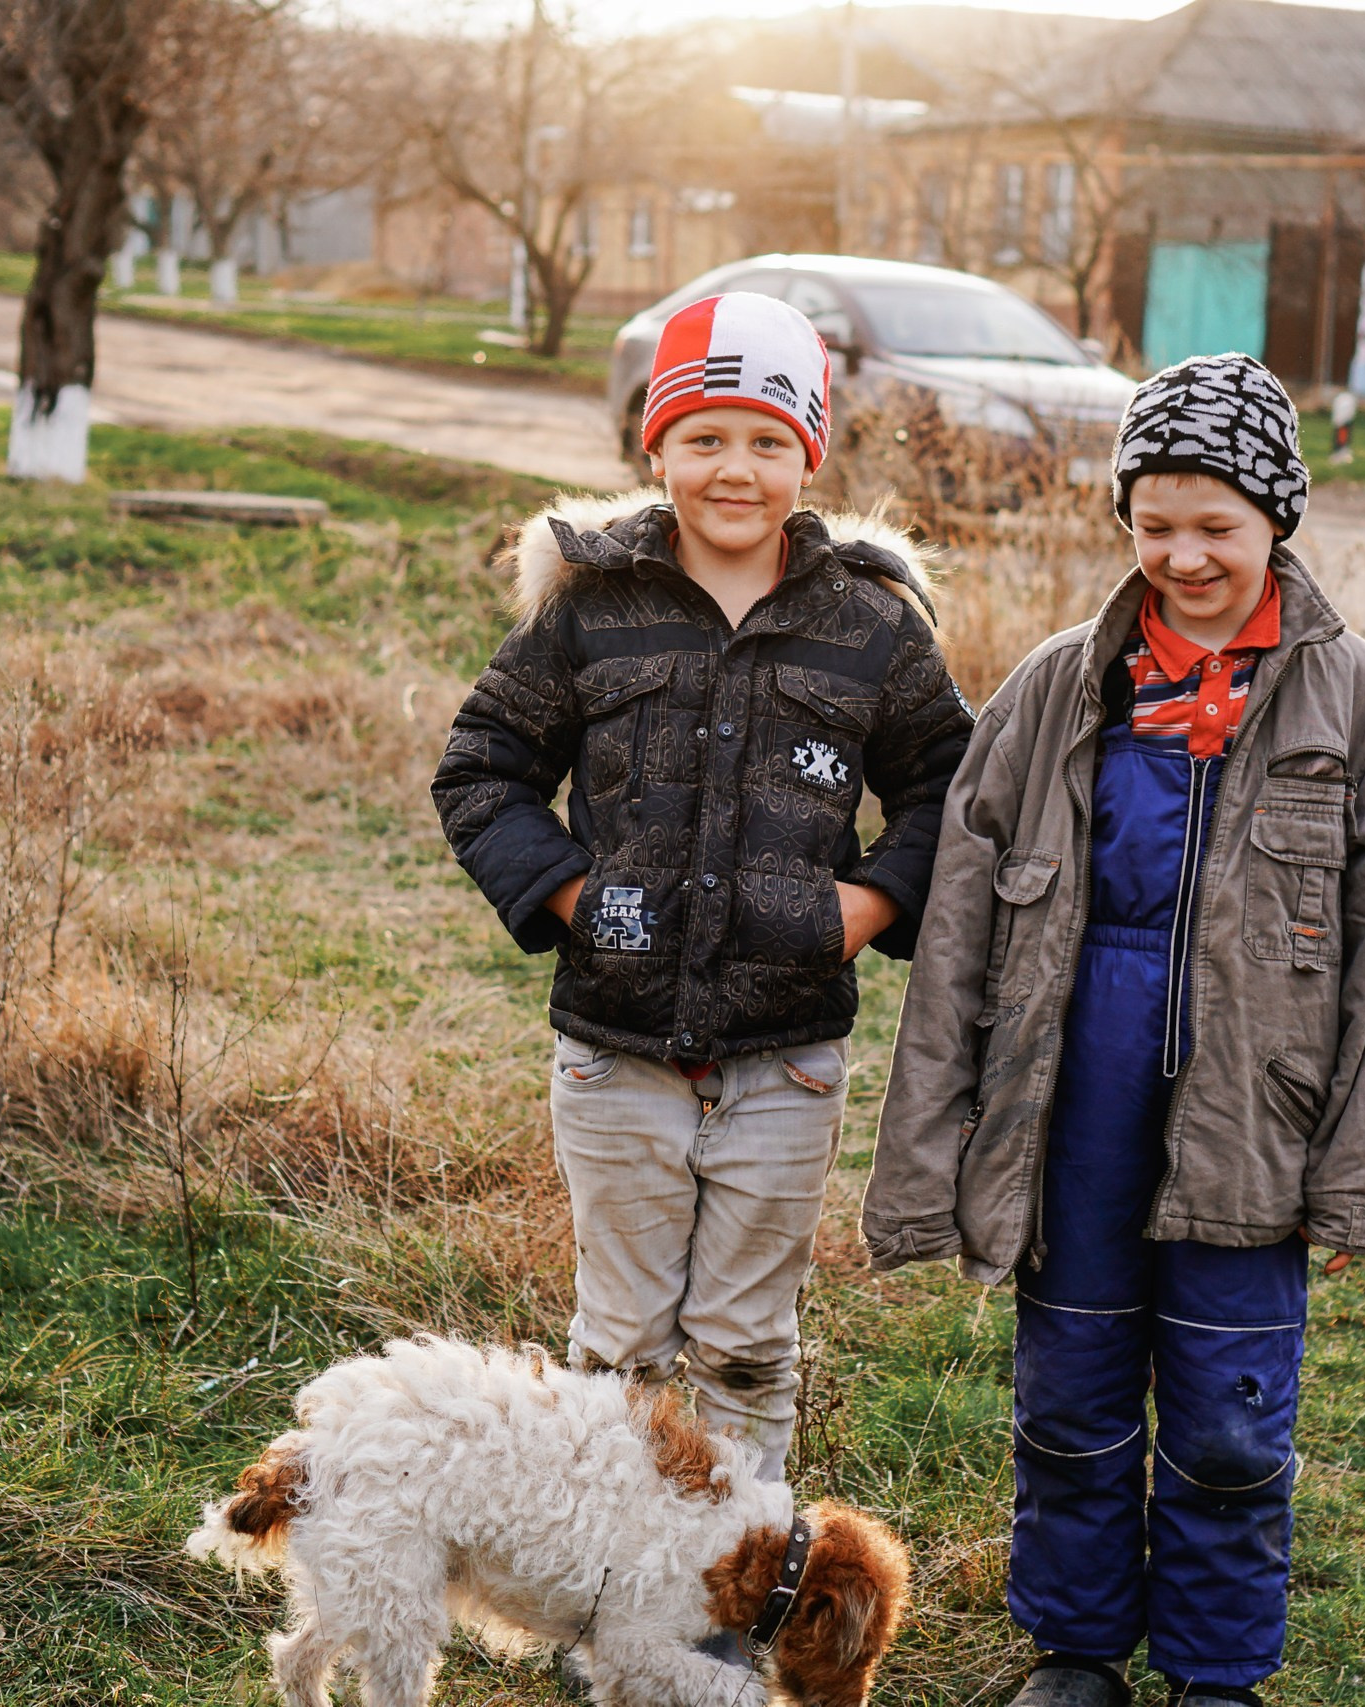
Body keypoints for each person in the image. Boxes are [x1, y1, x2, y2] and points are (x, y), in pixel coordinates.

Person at [861, 353, 1365, 1706]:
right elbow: (957, 949)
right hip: (1076, 1101)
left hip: (1257, 1111)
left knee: (1231, 1419)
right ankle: (1075, 1649)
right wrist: (929, 1158)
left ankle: (1217, 1670)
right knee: (1073, 1393)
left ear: (1279, 518)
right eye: (1153, 524)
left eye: (1215, 526)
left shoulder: (1354, 698)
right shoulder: (1061, 687)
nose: (1182, 554)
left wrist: (1358, 1172)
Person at [434, 289, 973, 1487]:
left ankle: (725, 1601)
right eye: (706, 438)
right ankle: (609, 1595)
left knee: (742, 1348)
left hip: (784, 1058)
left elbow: (954, 786)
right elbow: (482, 769)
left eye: (769, 442)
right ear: (656, 446)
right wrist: (575, 898)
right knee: (619, 1343)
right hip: (613, 1048)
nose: (737, 470)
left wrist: (869, 905)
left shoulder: (869, 628)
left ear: (809, 455)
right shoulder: (591, 611)